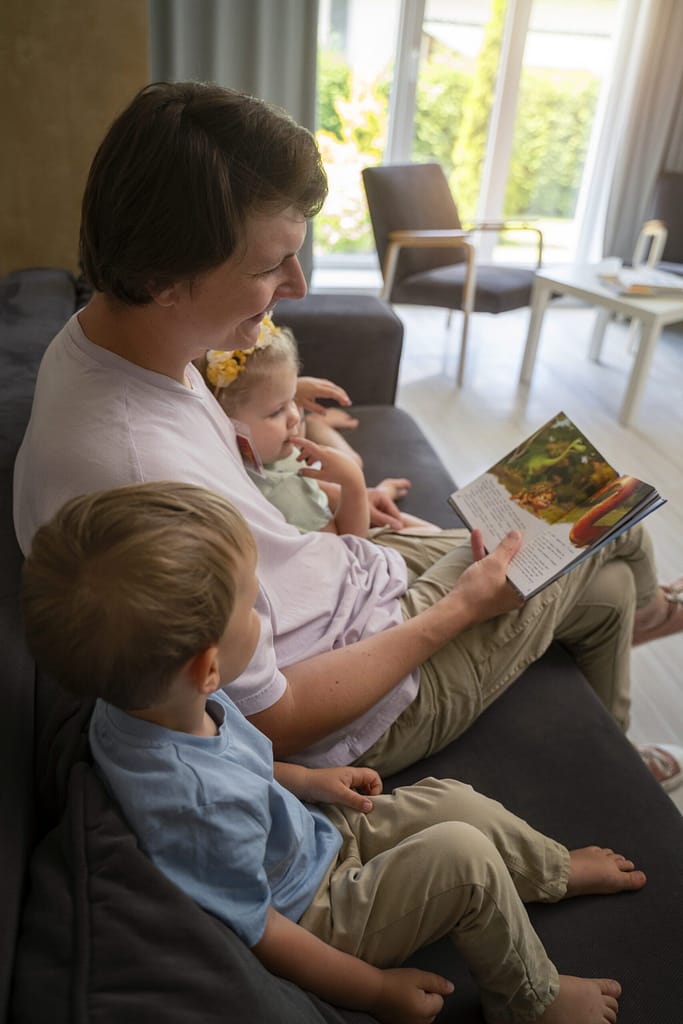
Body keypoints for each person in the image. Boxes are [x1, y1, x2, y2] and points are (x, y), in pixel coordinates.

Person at [12, 80, 683, 784]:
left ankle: (623, 711)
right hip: (355, 705)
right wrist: (461, 607)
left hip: (346, 586)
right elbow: (271, 722)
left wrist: (293, 431)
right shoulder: (130, 471)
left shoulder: (115, 339)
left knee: (602, 544)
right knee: (609, 530)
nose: (297, 285)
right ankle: (639, 659)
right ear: (165, 279)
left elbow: (210, 457)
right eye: (271, 264)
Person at [21, 481, 646, 1024]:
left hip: (313, 835)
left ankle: (551, 872)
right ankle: (530, 1001)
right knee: (463, 856)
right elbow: (261, 929)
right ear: (207, 667)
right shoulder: (191, 803)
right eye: (252, 607)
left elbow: (243, 762)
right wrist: (375, 991)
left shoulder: (148, 705)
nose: (264, 615)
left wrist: (306, 781)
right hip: (317, 911)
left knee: (453, 803)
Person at [196, 315, 441, 535]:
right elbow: (350, 547)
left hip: (310, 484)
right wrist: (353, 485)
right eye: (277, 411)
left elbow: (316, 485)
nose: (294, 416)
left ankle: (318, 424)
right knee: (431, 530)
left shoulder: (261, 453)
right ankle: (320, 427)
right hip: (346, 542)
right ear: (226, 423)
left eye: (293, 399)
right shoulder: (287, 497)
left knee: (352, 465)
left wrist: (360, 495)